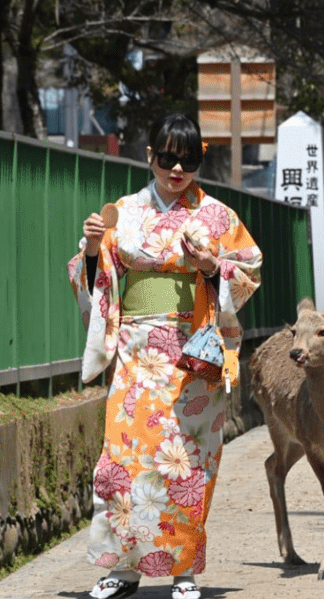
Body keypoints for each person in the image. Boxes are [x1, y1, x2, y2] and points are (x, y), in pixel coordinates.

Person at [68, 113, 262, 599]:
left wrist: (212, 265)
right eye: (168, 158)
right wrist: (93, 249)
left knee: (189, 462)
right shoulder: (124, 211)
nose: (178, 169)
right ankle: (122, 569)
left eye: (189, 159)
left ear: (201, 159)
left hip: (192, 355)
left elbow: (250, 268)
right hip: (136, 353)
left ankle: (184, 571)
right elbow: (96, 281)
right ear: (150, 156)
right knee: (124, 460)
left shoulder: (217, 215)